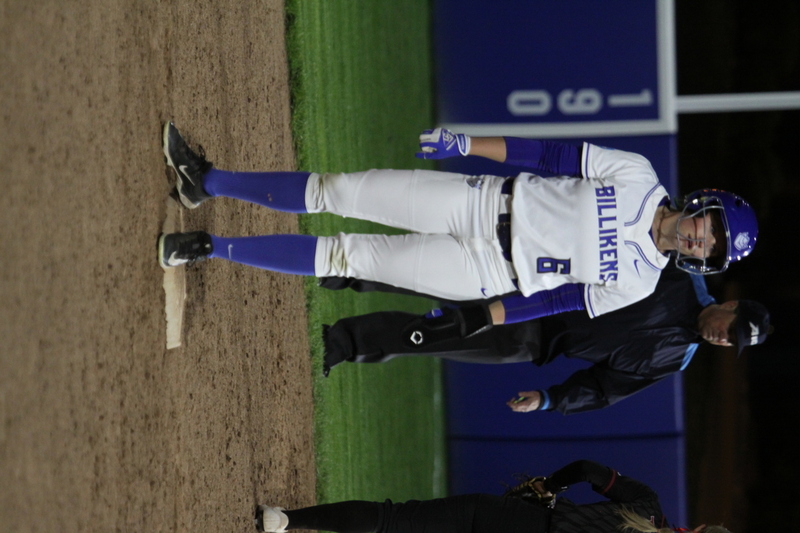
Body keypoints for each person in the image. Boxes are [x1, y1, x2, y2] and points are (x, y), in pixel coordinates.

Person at [157, 122, 758, 342]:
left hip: (490, 272)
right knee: (338, 190)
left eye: (713, 249)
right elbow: (550, 155)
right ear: (705, 205)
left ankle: (213, 247)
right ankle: (206, 182)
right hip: (479, 202)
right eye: (713, 228)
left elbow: (557, 300)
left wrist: (483, 318)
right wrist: (468, 144)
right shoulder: (639, 176)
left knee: (350, 257)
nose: (702, 241)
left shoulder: (639, 282)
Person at [320, 265, 771, 414]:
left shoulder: (676, 358)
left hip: (533, 343)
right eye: (731, 329)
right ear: (730, 305)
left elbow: (604, 388)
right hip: (533, 286)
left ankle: (344, 343)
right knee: (428, 275)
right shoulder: (677, 273)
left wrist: (551, 399)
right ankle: (340, 268)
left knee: (432, 340)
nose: (722, 337)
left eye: (731, 343)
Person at [252, 459, 730, 533]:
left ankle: (286, 520)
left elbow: (586, 470)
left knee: (392, 520)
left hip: (514, 519)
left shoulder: (647, 505)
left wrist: (548, 487)